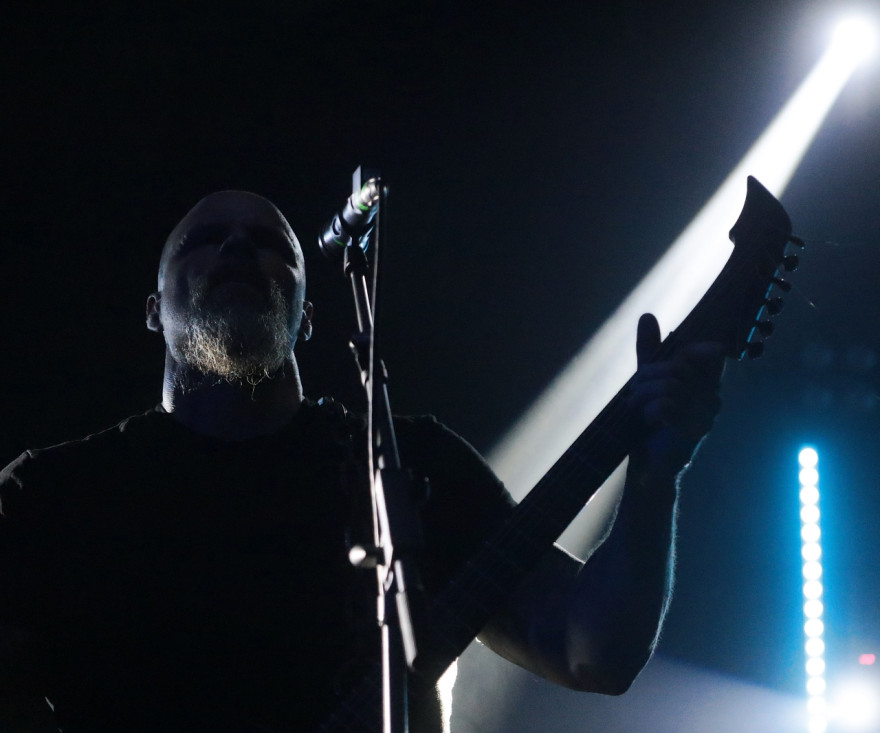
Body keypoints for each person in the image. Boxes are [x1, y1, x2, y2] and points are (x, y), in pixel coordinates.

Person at [0, 191, 724, 733]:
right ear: (153, 309)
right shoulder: (54, 492)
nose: (238, 248)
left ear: (307, 319)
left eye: (270, 244)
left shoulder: (407, 469)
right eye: (205, 240)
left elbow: (589, 647)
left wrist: (653, 478)